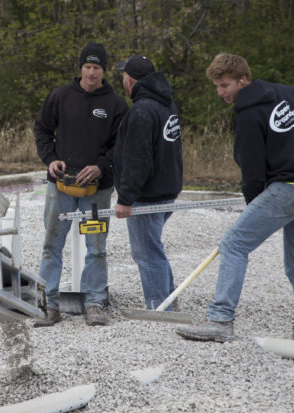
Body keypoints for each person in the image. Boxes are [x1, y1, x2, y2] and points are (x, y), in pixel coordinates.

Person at [176, 53, 294, 343]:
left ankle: (220, 320)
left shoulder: (247, 115)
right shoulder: (283, 92)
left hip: (293, 187)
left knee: (234, 243)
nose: (221, 92)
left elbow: (251, 172)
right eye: (217, 86)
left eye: (225, 85)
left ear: (243, 80)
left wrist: (256, 201)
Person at [33, 42, 127, 327]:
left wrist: (100, 166)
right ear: (80, 68)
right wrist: (50, 160)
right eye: (87, 66)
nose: (91, 72)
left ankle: (95, 302)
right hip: (60, 187)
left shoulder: (116, 105)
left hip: (96, 192)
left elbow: (120, 146)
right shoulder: (60, 97)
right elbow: (42, 129)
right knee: (52, 245)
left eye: (96, 67)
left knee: (95, 246)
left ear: (103, 70)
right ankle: (48, 303)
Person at [111, 55, 184, 310]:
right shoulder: (166, 104)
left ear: (130, 79)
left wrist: (126, 198)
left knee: (146, 252)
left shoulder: (142, 111)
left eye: (123, 76)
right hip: (166, 191)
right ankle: (170, 300)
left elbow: (137, 159)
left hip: (147, 195)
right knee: (154, 247)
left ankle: (158, 306)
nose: (122, 80)